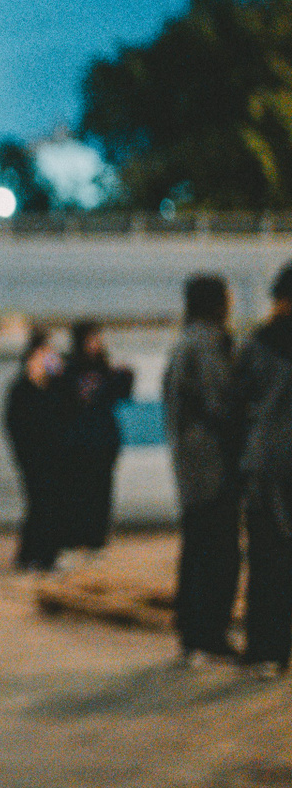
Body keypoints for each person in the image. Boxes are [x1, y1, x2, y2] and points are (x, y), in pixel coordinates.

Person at [164, 274, 241, 666]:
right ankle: (209, 635)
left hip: (191, 464)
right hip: (212, 464)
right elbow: (221, 403)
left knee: (197, 546)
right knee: (218, 549)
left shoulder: (184, 342)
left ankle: (192, 633)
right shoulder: (208, 343)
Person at [230, 261, 292, 679]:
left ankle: (266, 650)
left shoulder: (257, 343)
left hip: (268, 464)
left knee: (267, 556)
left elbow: (237, 402)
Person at [58, 320, 134, 554]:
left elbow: (122, 393)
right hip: (78, 442)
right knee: (77, 491)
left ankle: (96, 537)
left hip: (102, 441)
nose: (96, 343)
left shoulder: (105, 369)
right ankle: (75, 536)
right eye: (91, 339)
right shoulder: (69, 369)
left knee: (101, 492)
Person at [6, 329, 68, 571]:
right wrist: (25, 453)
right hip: (32, 458)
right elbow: (14, 425)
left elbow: (67, 412)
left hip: (54, 457)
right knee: (39, 504)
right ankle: (30, 554)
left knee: (53, 503)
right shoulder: (21, 390)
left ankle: (47, 555)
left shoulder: (53, 388)